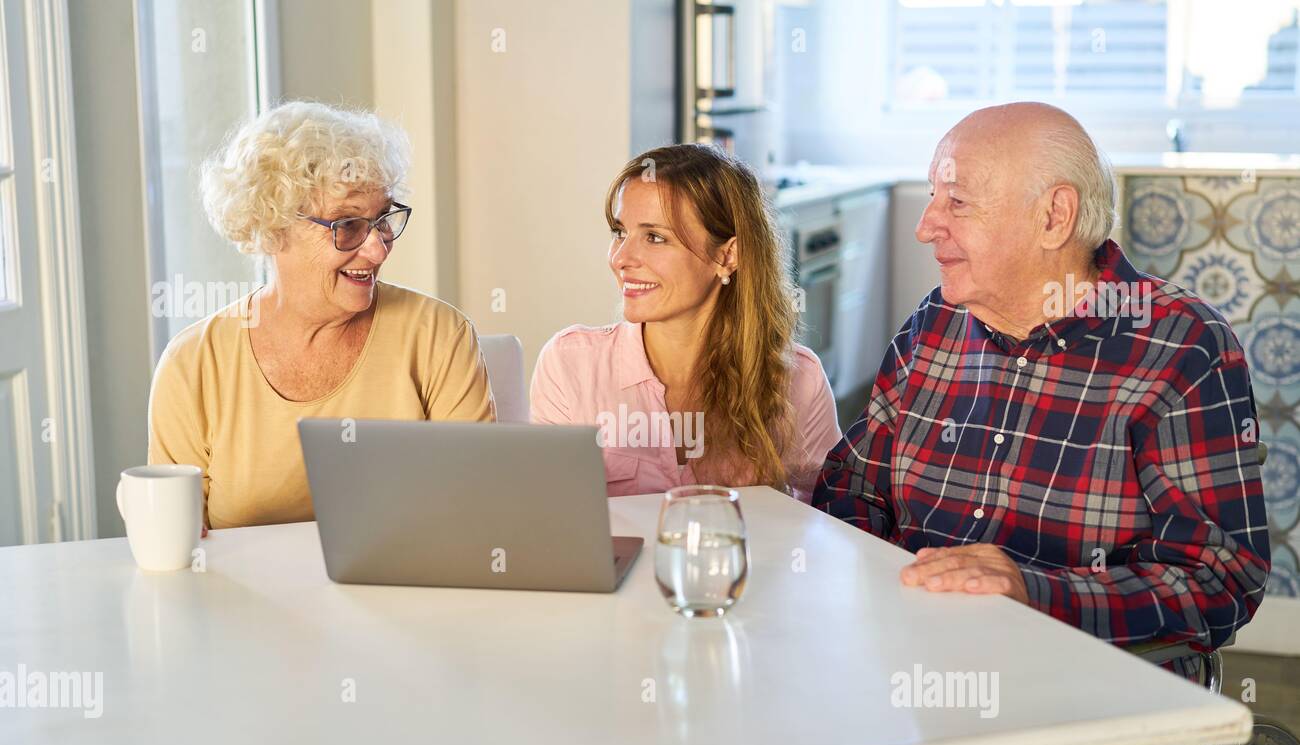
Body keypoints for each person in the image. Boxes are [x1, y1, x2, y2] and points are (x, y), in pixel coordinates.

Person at [814, 102, 1270, 678]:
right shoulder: (935, 322)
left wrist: (1031, 594)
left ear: (1054, 216)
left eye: (957, 201)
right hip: (918, 670)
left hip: (1085, 693)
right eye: (934, 196)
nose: (925, 225)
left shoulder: (1183, 346)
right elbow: (851, 488)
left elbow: (1220, 578)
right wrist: (891, 595)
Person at [148, 101, 494, 529]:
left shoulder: (440, 336)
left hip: (403, 595)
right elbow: (176, 543)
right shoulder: (194, 365)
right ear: (271, 228)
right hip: (244, 597)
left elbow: (476, 514)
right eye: (346, 224)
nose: (377, 248)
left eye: (383, 218)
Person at [530, 143, 840, 501]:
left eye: (655, 238)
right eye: (620, 232)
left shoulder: (798, 379)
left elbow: (829, 519)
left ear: (727, 255)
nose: (621, 258)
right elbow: (549, 517)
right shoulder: (571, 364)